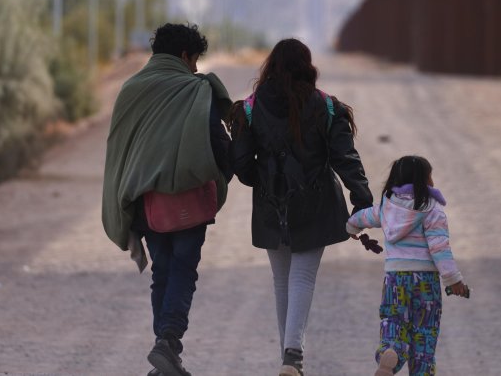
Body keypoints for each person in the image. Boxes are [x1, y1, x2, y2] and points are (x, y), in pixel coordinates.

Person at [229, 38, 373, 376]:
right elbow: (345, 158)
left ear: (272, 66)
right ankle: (292, 357)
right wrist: (362, 200)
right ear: (307, 67)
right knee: (303, 277)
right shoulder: (327, 106)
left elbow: (241, 162)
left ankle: (288, 358)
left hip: (270, 204)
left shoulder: (249, 108)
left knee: (282, 280)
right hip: (316, 202)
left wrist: (258, 178)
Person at [102, 23, 233, 376]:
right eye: (194, 61)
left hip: (146, 204)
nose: (194, 69)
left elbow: (119, 148)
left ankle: (165, 361)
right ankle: (168, 343)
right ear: (185, 56)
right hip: (189, 204)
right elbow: (219, 145)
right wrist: (225, 175)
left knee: (163, 271)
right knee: (183, 271)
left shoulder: (131, 89)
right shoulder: (195, 91)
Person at [346, 155, 470, 376]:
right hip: (426, 282)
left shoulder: (387, 207)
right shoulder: (432, 210)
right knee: (424, 331)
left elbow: (362, 217)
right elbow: (440, 248)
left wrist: (352, 228)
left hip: (395, 279)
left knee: (394, 320)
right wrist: (453, 279)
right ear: (424, 180)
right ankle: (421, 372)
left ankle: (391, 350)